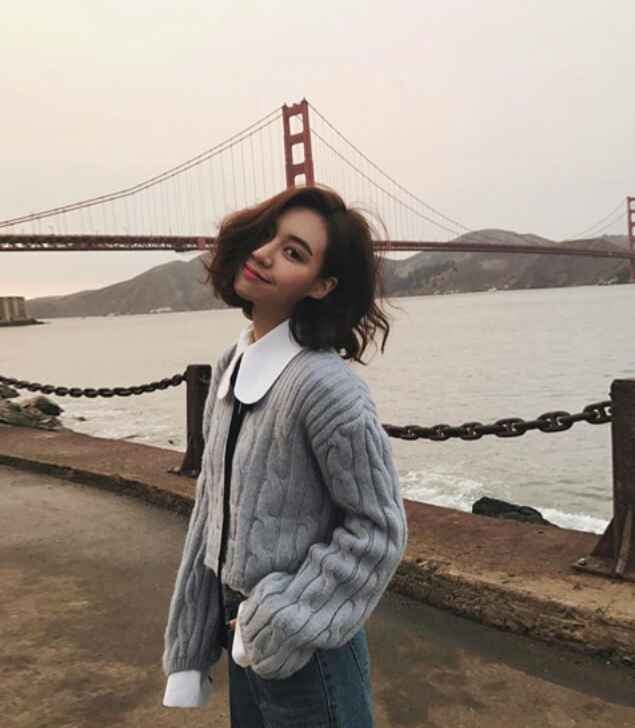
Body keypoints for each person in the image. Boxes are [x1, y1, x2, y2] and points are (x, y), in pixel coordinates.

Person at [161, 183, 409, 726]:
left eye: (294, 252)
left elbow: (379, 530)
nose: (265, 253)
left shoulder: (326, 387)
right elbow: (211, 511)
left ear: (322, 286)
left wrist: (282, 616)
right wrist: (190, 643)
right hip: (245, 639)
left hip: (308, 652)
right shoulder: (231, 362)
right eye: (268, 236)